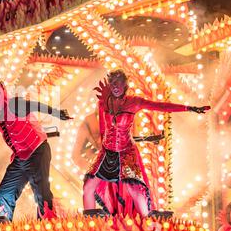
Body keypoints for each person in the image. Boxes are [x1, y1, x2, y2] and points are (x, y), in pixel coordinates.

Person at [83, 69, 211, 217]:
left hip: (126, 152)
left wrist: (188, 108)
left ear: (125, 85)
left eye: (118, 83)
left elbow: (161, 106)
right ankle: (91, 223)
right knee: (88, 185)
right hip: (107, 152)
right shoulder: (103, 102)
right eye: (112, 84)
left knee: (133, 187)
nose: (115, 87)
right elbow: (103, 129)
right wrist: (103, 148)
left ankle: (146, 221)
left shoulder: (134, 102)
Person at [0, 81, 73, 221]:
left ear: (3, 92)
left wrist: (56, 113)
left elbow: (34, 105)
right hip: (21, 157)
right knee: (4, 192)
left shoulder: (14, 104)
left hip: (37, 150)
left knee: (40, 190)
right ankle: (2, 228)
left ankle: (48, 224)